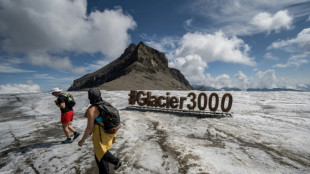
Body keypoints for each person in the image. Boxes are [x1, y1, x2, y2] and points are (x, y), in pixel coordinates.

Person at [78, 88, 122, 174]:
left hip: (100, 136)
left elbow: (89, 128)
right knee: (101, 153)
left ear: (90, 97)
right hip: (108, 133)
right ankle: (116, 162)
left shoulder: (92, 109)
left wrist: (82, 140)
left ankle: (114, 163)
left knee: (100, 156)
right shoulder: (105, 104)